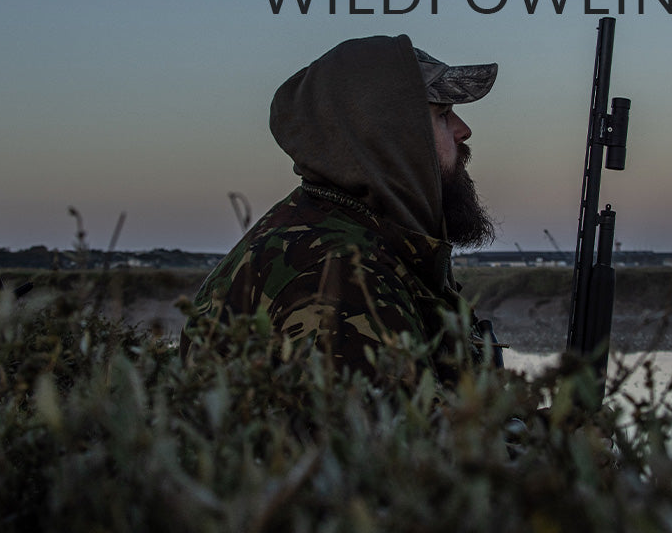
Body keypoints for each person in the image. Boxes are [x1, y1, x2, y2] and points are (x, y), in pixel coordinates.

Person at [179, 34, 502, 386]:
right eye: (442, 114)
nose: (463, 130)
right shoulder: (338, 277)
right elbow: (399, 421)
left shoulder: (345, 233)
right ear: (388, 135)